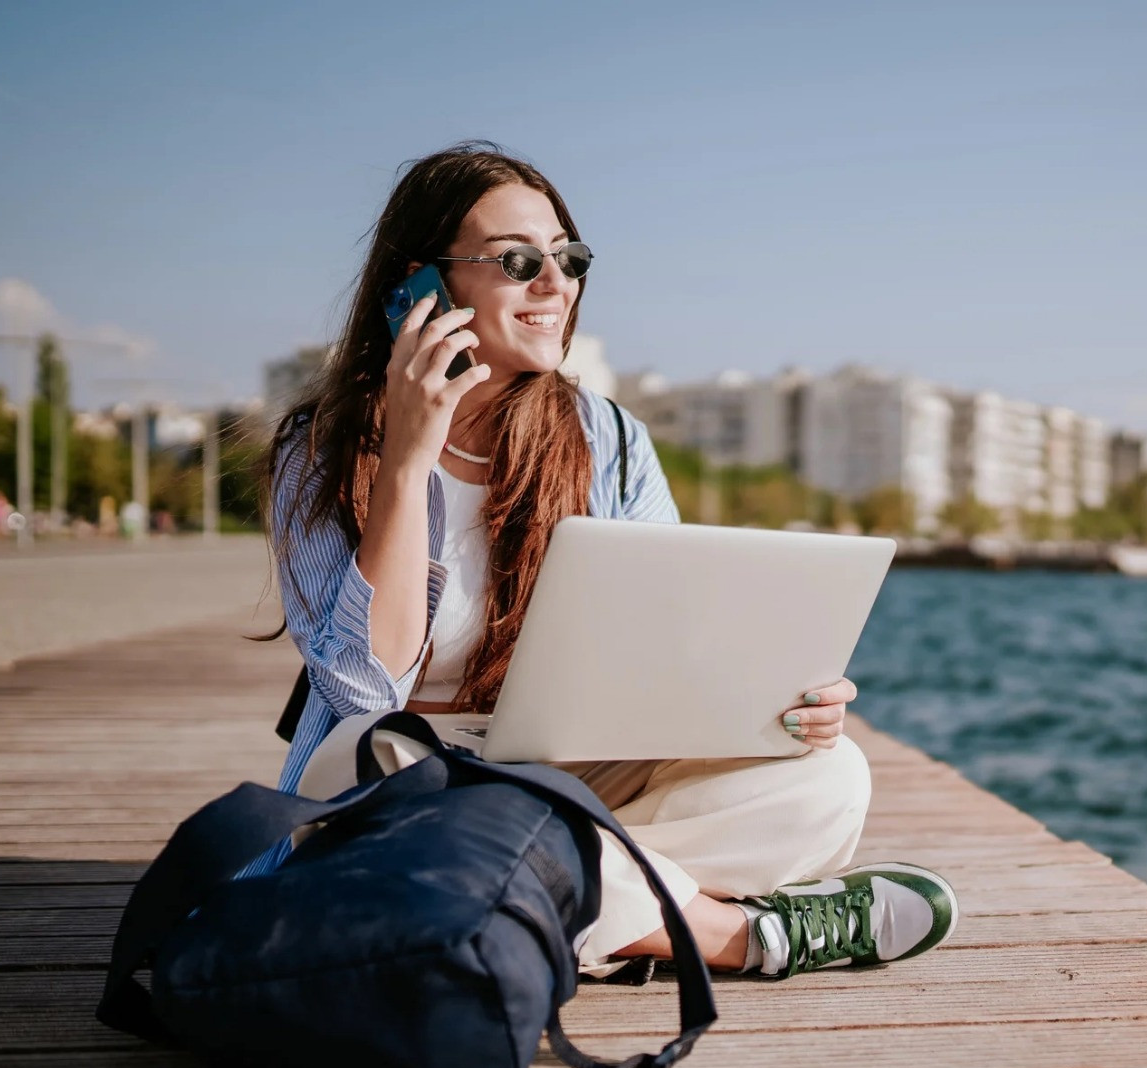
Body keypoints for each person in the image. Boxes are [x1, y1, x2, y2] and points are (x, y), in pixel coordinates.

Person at [257, 142, 956, 982]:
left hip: (573, 768)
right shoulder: (323, 448)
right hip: (416, 764)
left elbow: (677, 652)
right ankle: (730, 934)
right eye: (519, 262)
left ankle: (520, 901)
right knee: (356, 765)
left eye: (569, 259)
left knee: (830, 776)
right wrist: (409, 457)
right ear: (423, 285)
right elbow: (362, 688)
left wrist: (783, 700)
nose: (556, 286)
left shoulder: (610, 440)